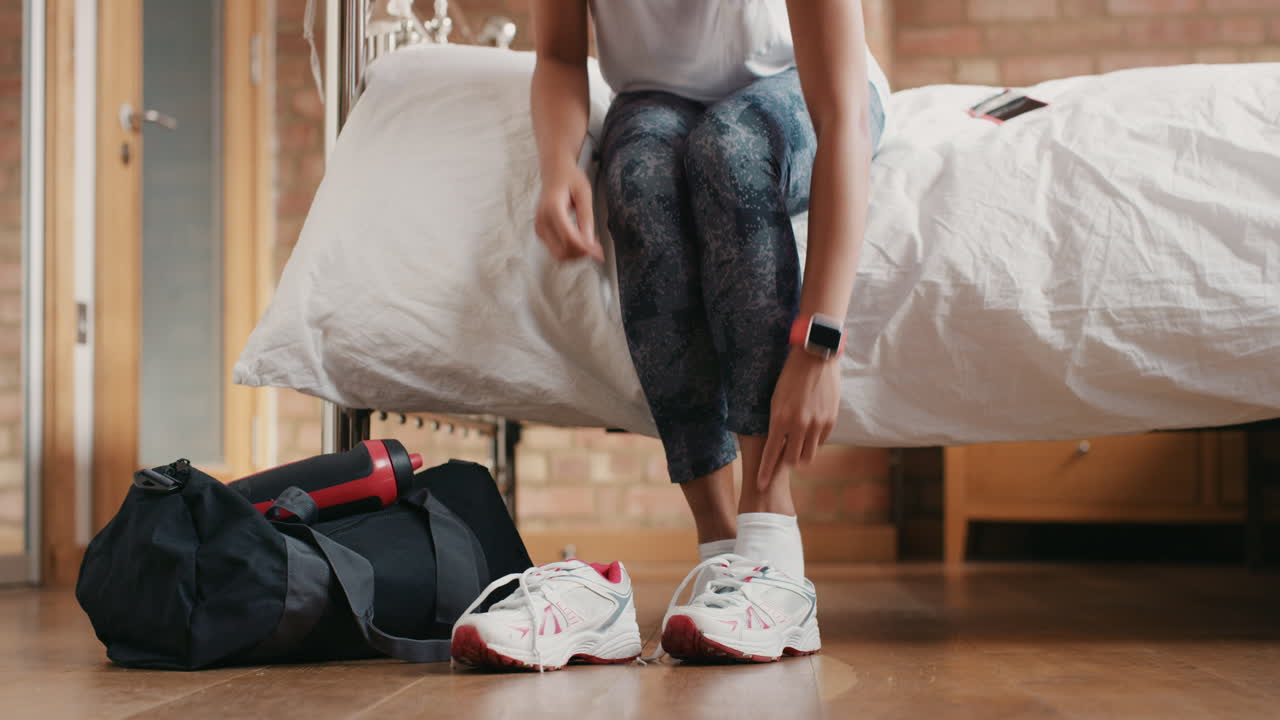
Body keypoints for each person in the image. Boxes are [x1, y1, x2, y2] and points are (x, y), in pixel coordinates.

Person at [451, 0, 889, 669]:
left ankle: (773, 556)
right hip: (658, 99)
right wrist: (559, 165)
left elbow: (841, 118)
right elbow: (562, 58)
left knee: (729, 148)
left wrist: (818, 344)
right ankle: (721, 554)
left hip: (802, 84)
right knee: (639, 177)